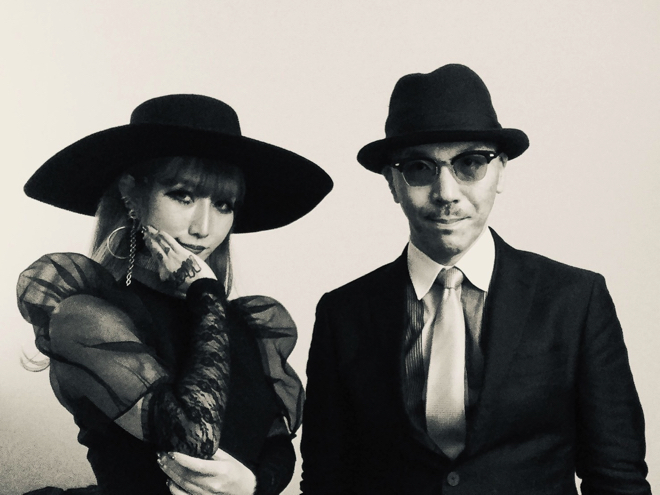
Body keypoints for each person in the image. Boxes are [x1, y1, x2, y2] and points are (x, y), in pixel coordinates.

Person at [300, 64, 650, 494]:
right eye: (419, 168)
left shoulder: (575, 300)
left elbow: (618, 476)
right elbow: (325, 480)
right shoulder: (343, 313)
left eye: (470, 163)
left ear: (501, 170)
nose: (446, 193)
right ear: (392, 182)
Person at [17, 94, 333, 495]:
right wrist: (206, 293)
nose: (204, 227)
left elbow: (276, 446)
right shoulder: (87, 316)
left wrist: (253, 484)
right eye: (183, 196)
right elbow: (194, 437)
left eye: (223, 204)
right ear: (131, 194)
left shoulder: (246, 324)